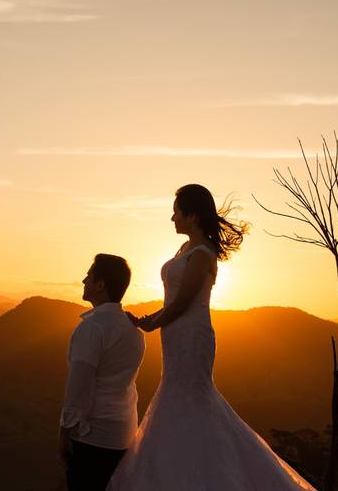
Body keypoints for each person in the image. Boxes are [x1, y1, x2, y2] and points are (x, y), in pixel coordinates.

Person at [108, 184, 316, 490]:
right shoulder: (186, 250)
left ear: (192, 216)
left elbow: (182, 303)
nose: (172, 218)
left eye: (176, 211)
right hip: (176, 334)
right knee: (177, 392)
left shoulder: (202, 254)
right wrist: (147, 319)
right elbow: (172, 302)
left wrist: (152, 324)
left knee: (189, 396)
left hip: (192, 335)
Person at [59, 253, 145, 491]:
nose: (84, 280)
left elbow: (79, 387)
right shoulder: (134, 332)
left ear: (100, 284)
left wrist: (65, 433)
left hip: (92, 437)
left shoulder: (92, 328)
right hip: (123, 434)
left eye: (89, 275)